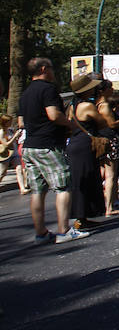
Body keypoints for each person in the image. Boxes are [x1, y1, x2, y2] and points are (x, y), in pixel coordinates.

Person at [18, 58, 89, 244]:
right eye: (51, 68)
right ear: (43, 69)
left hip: (29, 146)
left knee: (37, 191)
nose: (53, 71)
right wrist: (71, 124)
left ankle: (40, 233)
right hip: (48, 145)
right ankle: (64, 230)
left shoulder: (25, 94)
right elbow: (53, 114)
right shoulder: (48, 89)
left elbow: (20, 122)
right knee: (63, 186)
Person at [66, 73, 108, 228]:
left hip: (75, 143)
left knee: (80, 180)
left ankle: (82, 216)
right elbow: (102, 122)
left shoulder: (72, 105)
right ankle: (81, 217)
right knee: (88, 179)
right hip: (85, 145)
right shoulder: (87, 106)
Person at [97, 87, 119, 216]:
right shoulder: (104, 106)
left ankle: (110, 202)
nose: (112, 90)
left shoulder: (97, 105)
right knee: (111, 175)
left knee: (107, 174)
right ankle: (109, 207)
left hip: (104, 140)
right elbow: (111, 124)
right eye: (109, 88)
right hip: (110, 140)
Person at [0, 115, 26, 192]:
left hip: (14, 153)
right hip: (6, 154)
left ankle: (22, 188)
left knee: (19, 169)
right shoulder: (1, 132)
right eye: (9, 121)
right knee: (2, 173)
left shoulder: (10, 130)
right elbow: (6, 144)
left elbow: (15, 140)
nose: (11, 123)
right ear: (5, 122)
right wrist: (15, 136)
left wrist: (18, 136)